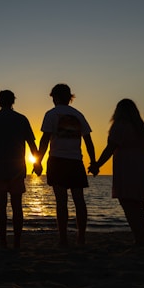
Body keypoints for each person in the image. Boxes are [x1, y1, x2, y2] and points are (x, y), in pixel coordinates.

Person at [89, 99, 144, 244]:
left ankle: (138, 237)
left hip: (126, 165)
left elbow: (110, 148)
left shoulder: (119, 126)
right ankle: (141, 237)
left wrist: (97, 165)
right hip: (142, 164)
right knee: (139, 204)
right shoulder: (143, 128)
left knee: (127, 201)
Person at [36, 84, 96, 247]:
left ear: (55, 97)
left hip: (57, 160)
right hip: (76, 161)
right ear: (69, 97)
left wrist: (38, 161)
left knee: (61, 201)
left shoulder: (51, 114)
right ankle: (81, 238)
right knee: (79, 200)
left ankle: (63, 239)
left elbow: (44, 140)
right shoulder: (78, 115)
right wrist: (94, 161)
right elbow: (88, 141)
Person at [0, 90, 39, 249]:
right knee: (17, 205)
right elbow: (32, 144)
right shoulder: (21, 119)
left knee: (1, 205)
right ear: (13, 101)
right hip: (17, 169)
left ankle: (3, 240)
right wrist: (37, 163)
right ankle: (17, 241)